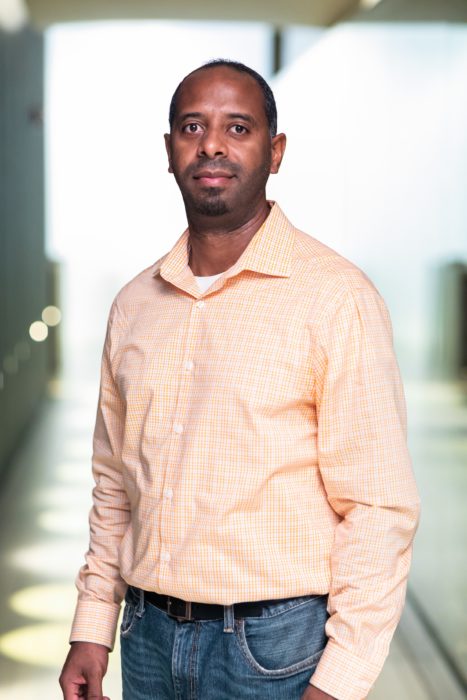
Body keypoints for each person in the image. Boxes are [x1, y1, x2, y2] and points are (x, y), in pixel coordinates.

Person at [59, 59, 420, 700]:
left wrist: (340, 679)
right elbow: (114, 484)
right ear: (169, 150)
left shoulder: (336, 298)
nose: (212, 145)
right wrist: (92, 626)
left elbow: (377, 505)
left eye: (238, 127)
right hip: (145, 638)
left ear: (275, 152)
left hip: (275, 649)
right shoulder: (134, 306)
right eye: (192, 127)